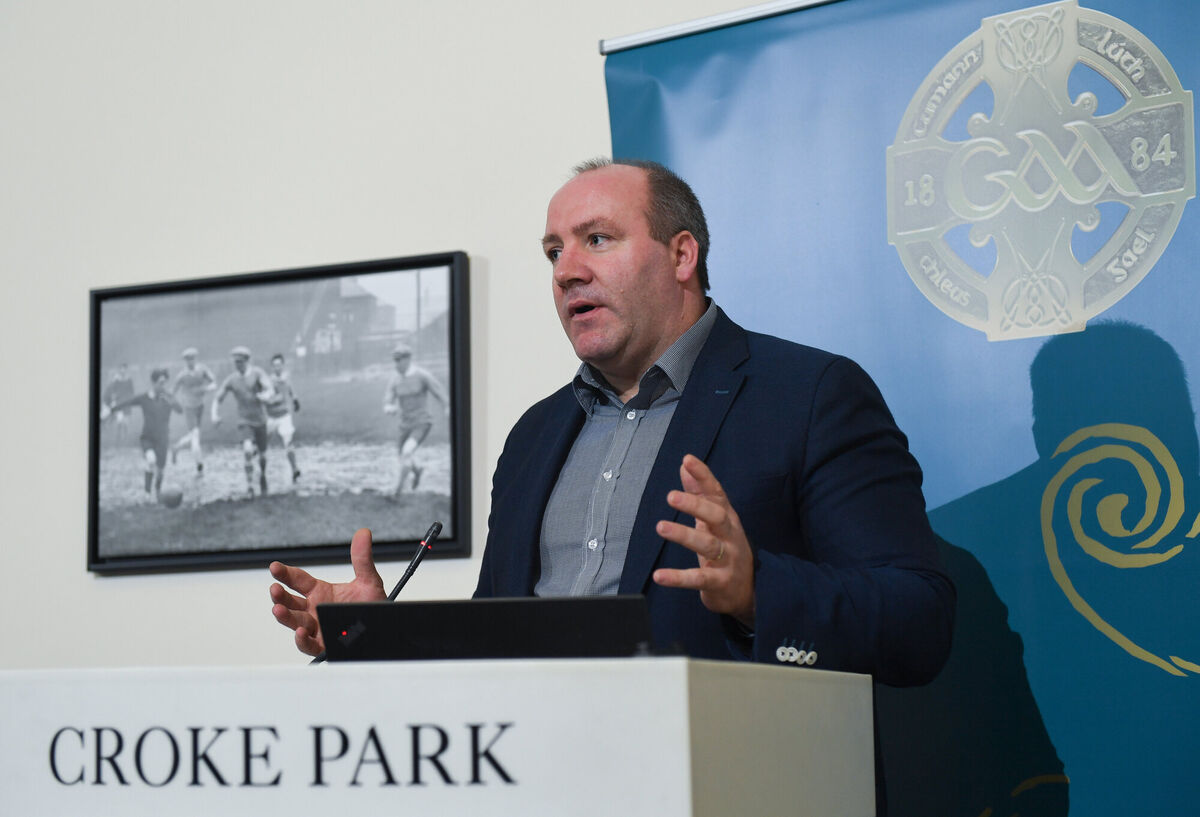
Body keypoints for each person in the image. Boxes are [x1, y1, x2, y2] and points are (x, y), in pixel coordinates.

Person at [270, 159, 954, 683]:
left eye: (596, 239)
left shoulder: (809, 395)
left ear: (682, 256)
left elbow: (918, 621)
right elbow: (496, 644)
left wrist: (755, 590)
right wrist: (374, 632)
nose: (567, 271)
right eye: (553, 252)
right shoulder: (535, 435)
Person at [100, 367, 182, 499]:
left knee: (160, 471)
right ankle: (147, 493)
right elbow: (128, 402)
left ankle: (157, 492)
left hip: (163, 439)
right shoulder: (144, 398)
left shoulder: (168, 396)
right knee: (150, 461)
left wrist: (171, 402)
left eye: (164, 382)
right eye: (160, 382)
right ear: (153, 382)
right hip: (147, 438)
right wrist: (111, 410)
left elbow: (180, 410)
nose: (162, 385)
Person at [382, 343, 449, 495]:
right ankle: (418, 470)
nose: (396, 364)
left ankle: (396, 493)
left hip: (422, 423)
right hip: (405, 424)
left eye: (399, 360)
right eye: (395, 360)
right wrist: (389, 408)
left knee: (406, 453)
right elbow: (388, 399)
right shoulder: (395, 380)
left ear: (408, 359)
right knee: (403, 457)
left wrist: (447, 407)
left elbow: (439, 391)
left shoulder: (422, 375)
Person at [212, 346, 275, 498]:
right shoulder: (232, 379)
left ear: (247, 361)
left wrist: (266, 395)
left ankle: (263, 475)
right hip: (244, 421)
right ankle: (249, 485)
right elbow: (217, 398)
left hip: (260, 420)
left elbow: (269, 388)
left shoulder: (257, 373)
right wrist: (214, 415)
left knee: (263, 456)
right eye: (235, 362)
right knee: (247, 450)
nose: (237, 365)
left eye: (240, 362)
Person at [169, 347, 216, 474]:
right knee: (195, 436)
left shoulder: (202, 369)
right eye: (187, 359)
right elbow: (173, 392)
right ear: (185, 361)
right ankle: (199, 463)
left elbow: (213, 383)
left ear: (196, 359)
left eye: (192, 359)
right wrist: (173, 403)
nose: (190, 362)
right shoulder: (182, 375)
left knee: (193, 434)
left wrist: (205, 389)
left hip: (200, 406)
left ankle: (176, 447)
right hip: (189, 407)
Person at [265, 352, 302, 483]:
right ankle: (259, 470)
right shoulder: (268, 381)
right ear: (272, 367)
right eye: (275, 366)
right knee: (262, 444)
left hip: (284, 416)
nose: (277, 368)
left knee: (288, 442)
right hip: (271, 417)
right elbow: (266, 397)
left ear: (283, 366)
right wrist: (272, 399)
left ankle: (295, 469)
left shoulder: (286, 378)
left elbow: (290, 389)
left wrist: (295, 399)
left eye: (279, 365)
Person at [101, 364, 136, 442]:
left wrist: (129, 400)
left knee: (125, 422)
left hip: (125, 403)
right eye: (121, 369)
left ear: (126, 370)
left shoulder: (129, 380)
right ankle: (117, 437)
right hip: (117, 403)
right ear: (119, 370)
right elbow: (111, 390)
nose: (123, 371)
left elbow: (131, 392)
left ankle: (124, 438)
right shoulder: (115, 380)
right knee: (118, 421)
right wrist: (113, 399)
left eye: (124, 369)